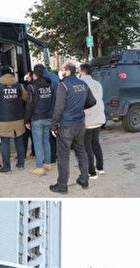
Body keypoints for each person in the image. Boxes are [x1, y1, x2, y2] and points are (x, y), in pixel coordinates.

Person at [49, 62, 97, 194]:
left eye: (61, 70)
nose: (60, 72)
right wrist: (79, 108)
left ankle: (62, 186)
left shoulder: (63, 85)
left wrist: (53, 125)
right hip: (80, 124)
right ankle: (84, 180)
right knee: (81, 152)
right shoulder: (83, 84)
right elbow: (92, 101)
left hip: (66, 126)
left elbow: (58, 108)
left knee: (63, 157)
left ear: (67, 71)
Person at [0, 67, 28, 173]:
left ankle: (7, 168)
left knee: (5, 143)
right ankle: (20, 164)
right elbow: (27, 98)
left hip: (3, 120)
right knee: (19, 141)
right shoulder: (19, 86)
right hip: (18, 119)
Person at [25, 64, 54, 176]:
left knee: (37, 143)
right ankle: (47, 163)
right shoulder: (50, 86)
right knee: (46, 141)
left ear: (34, 74)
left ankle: (39, 167)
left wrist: (27, 120)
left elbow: (29, 105)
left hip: (37, 118)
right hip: (48, 117)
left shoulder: (32, 87)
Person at [79, 63, 106, 179]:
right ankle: (100, 168)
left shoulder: (81, 84)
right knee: (96, 143)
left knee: (87, 146)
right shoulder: (98, 84)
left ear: (82, 72)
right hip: (99, 117)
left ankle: (92, 172)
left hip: (88, 119)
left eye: (79, 71)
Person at [41, 64, 61, 163]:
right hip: (57, 108)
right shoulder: (54, 76)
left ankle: (51, 157)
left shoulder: (43, 78)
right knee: (54, 133)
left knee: (48, 136)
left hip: (48, 110)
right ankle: (57, 154)